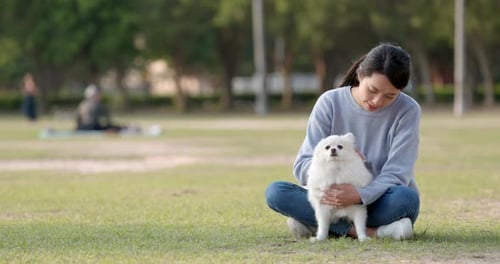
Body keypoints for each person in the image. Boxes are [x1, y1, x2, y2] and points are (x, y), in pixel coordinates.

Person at [265, 43, 421, 240]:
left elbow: (398, 173)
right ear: (360, 74)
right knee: (276, 193)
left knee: (406, 199)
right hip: (330, 199)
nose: (377, 101)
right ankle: (371, 232)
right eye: (372, 90)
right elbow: (303, 164)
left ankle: (316, 225)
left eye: (390, 96)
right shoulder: (329, 102)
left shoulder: (408, 110)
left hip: (380, 201)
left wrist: (359, 194)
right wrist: (335, 183)